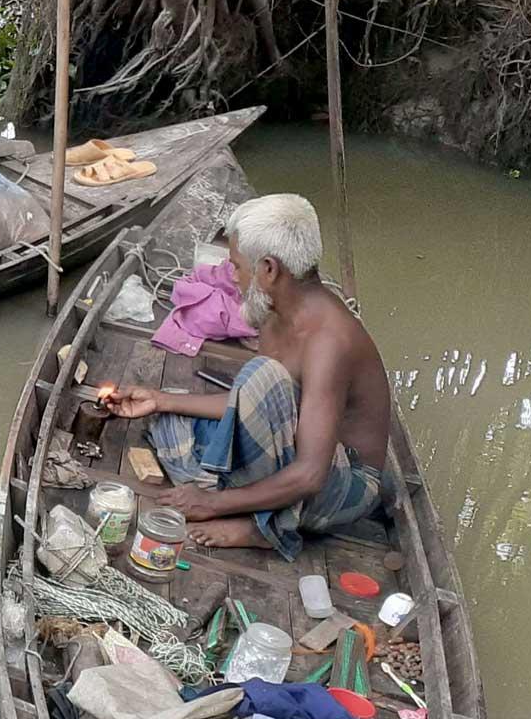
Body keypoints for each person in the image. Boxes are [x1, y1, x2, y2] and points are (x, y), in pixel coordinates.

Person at [103, 192, 391, 554]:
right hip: (294, 446)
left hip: (339, 484)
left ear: (269, 269)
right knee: (169, 417)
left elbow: (310, 475)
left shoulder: (329, 343)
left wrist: (211, 505)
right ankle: (245, 499)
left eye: (237, 266)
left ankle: (262, 528)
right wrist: (160, 400)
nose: (232, 276)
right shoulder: (275, 316)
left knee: (259, 377)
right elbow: (250, 402)